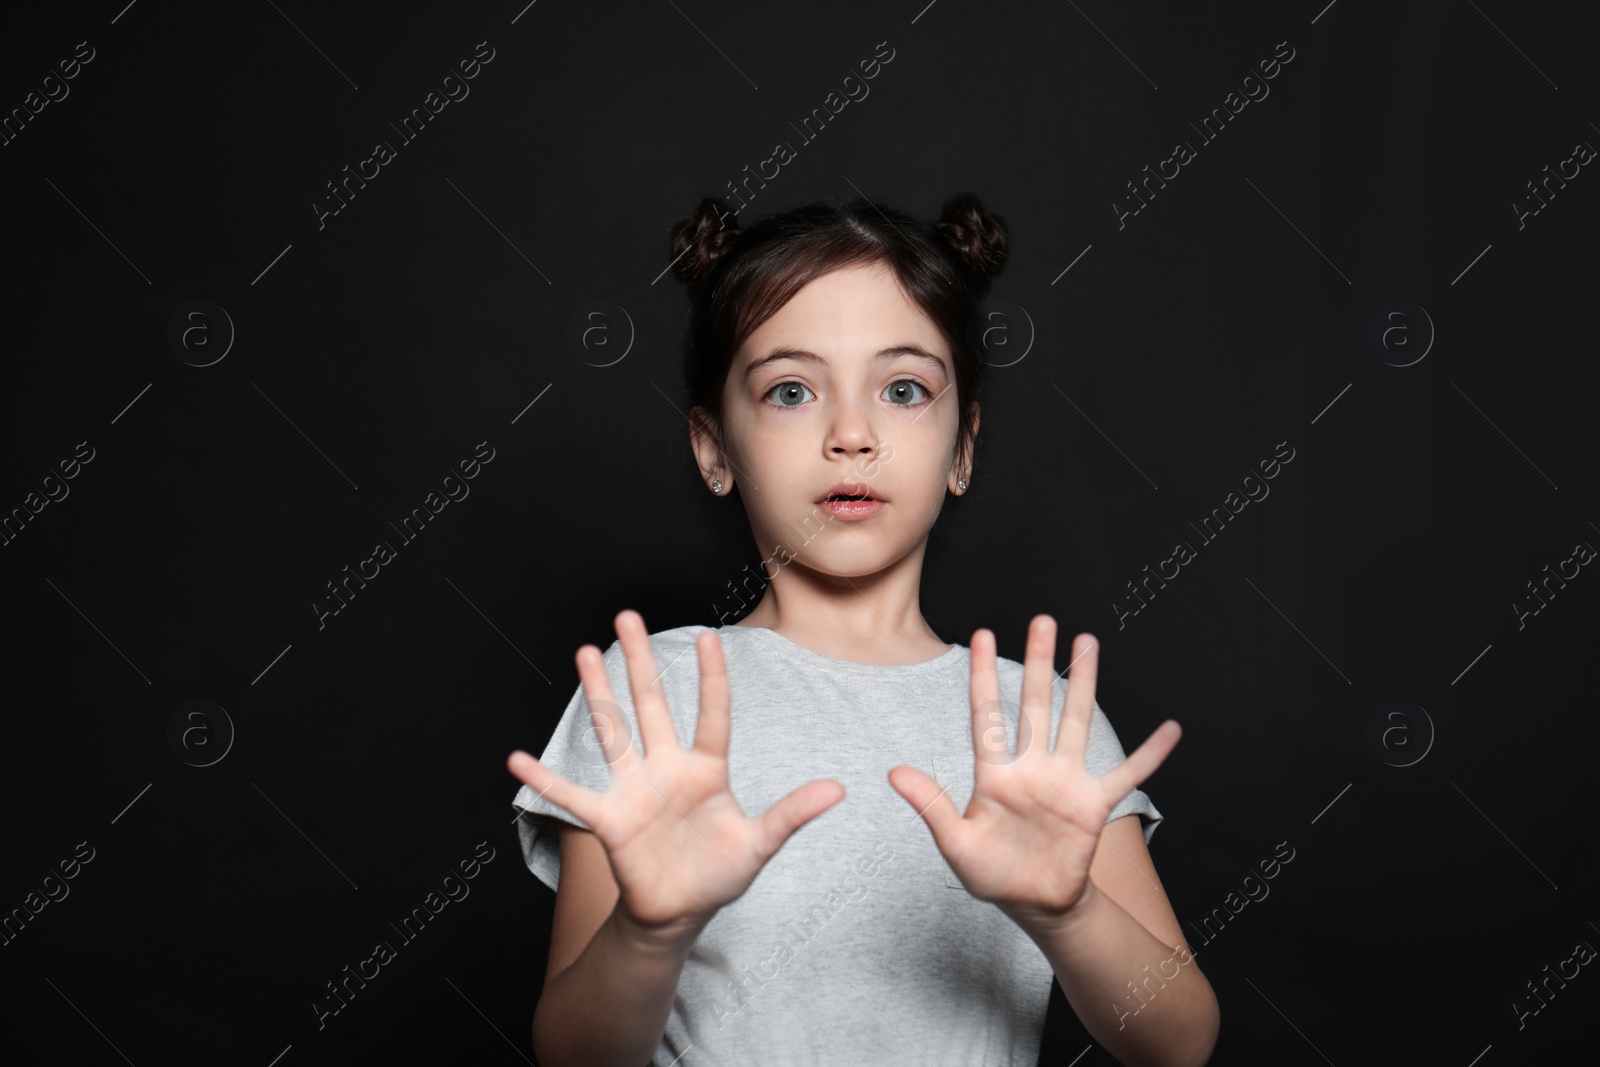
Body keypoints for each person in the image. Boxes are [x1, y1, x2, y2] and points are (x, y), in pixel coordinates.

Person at [506, 192, 1220, 1067]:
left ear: (963, 448)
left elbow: (1179, 1040)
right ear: (714, 448)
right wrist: (651, 930)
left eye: (905, 389)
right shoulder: (651, 696)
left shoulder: (1038, 722)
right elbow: (575, 1056)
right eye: (792, 390)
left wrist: (1070, 911)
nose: (852, 434)